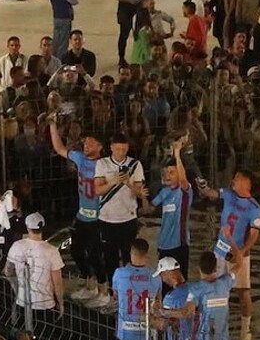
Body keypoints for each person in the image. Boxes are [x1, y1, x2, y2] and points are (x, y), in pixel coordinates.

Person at [50, 121, 110, 307]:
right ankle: (89, 284)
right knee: (76, 251)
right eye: (85, 143)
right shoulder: (80, 159)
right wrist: (53, 125)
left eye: (91, 144)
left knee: (95, 254)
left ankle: (104, 291)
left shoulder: (105, 165)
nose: (86, 146)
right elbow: (59, 148)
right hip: (81, 215)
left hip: (98, 218)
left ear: (100, 146)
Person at [200, 169, 260, 340]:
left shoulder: (255, 209)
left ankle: (244, 331)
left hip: (239, 254)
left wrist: (241, 252)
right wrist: (204, 188)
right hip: (220, 251)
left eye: (237, 177)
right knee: (216, 289)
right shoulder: (228, 194)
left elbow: (254, 235)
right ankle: (217, 330)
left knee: (243, 292)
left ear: (247, 182)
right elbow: (212, 194)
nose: (233, 180)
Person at [95, 132, 147, 270]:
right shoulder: (102, 163)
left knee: (128, 258)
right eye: (118, 149)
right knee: (109, 258)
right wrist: (113, 181)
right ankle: (113, 290)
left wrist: (128, 183)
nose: (120, 153)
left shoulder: (135, 165)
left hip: (128, 219)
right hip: (107, 219)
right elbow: (98, 190)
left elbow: (140, 193)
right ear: (111, 148)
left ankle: (128, 288)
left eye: (124, 149)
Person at [153, 137, 192, 275]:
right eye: (166, 172)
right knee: (164, 282)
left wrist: (177, 154)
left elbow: (182, 180)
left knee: (180, 281)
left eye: (172, 172)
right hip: (163, 244)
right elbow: (149, 209)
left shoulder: (185, 192)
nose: (168, 176)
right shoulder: (164, 192)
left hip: (179, 245)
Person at [186, 249, 235, 340]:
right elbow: (238, 266)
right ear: (215, 267)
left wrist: (166, 313)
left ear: (199, 268)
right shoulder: (225, 283)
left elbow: (186, 311)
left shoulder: (196, 289)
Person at [113, 0, 147, 67]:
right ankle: (121, 58)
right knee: (124, 35)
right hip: (125, 12)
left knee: (140, 35)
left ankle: (139, 56)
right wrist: (128, 0)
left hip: (138, 12)